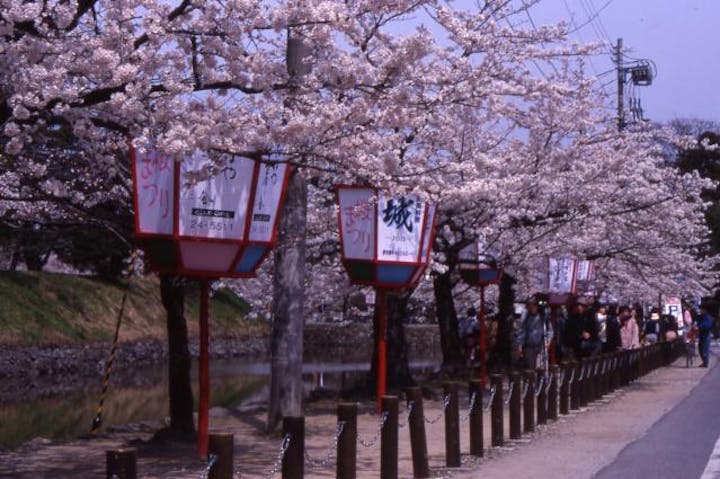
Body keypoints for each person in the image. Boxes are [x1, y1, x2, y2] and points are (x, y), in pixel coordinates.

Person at [516, 298, 553, 370]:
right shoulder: (526, 317)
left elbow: (550, 331)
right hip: (529, 346)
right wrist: (520, 344)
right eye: (529, 306)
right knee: (530, 367)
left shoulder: (543, 317)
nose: (531, 308)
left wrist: (547, 342)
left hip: (541, 345)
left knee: (541, 367)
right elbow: (522, 331)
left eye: (533, 305)